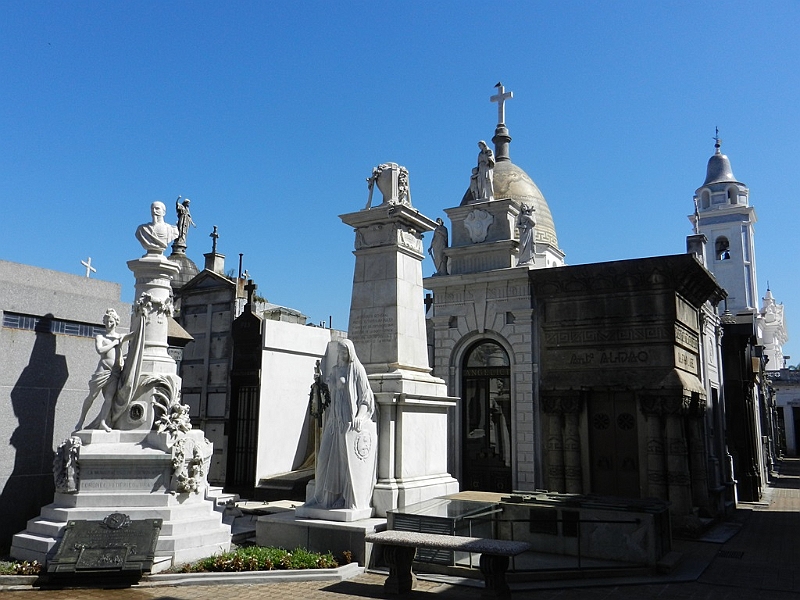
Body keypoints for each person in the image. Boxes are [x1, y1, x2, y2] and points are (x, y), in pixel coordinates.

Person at [310, 339, 377, 510]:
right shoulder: (334, 370)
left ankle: (345, 497)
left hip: (348, 420)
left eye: (344, 352)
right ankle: (324, 497)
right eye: (340, 352)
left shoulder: (357, 370)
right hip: (334, 421)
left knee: (346, 461)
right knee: (326, 458)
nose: (342, 355)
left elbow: (366, 396)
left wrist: (361, 416)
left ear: (350, 352)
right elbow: (327, 394)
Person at [75, 308, 133, 432]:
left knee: (109, 398)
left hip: (115, 372)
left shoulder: (120, 337)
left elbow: (133, 335)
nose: (108, 324)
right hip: (103, 370)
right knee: (92, 396)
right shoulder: (100, 337)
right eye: (106, 321)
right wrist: (115, 343)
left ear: (116, 322)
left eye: (111, 321)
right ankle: (81, 421)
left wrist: (144, 319)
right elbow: (100, 350)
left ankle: (102, 422)